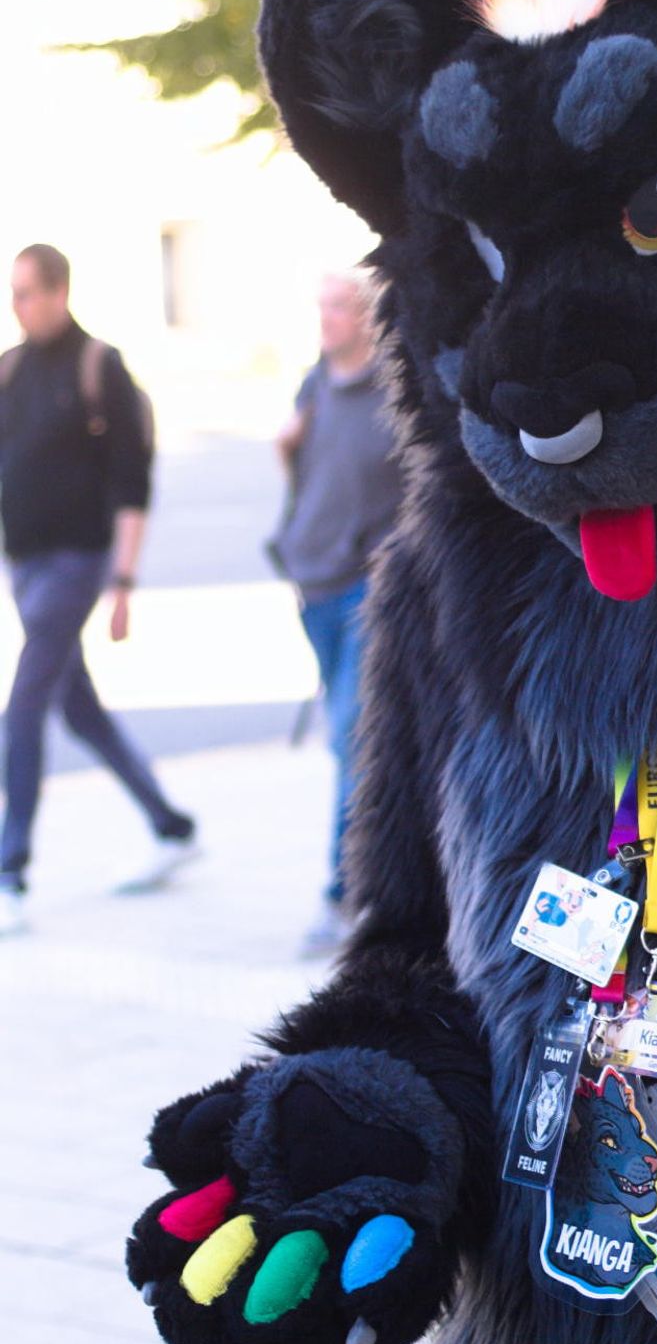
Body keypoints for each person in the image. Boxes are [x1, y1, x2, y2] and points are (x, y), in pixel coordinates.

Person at [0, 244, 197, 935]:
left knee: (21, 706)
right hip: (22, 565)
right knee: (76, 708)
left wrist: (122, 581)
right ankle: (172, 826)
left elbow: (131, 481)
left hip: (78, 564)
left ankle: (10, 870)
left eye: (26, 293)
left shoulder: (98, 365)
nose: (18, 305)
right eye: (14, 293)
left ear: (57, 292)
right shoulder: (11, 368)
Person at [272, 268, 402, 955]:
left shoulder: (391, 389)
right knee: (345, 733)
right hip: (312, 579)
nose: (327, 319)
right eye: (321, 306)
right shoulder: (313, 386)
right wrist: (285, 452)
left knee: (349, 733)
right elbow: (311, 479)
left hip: (366, 586)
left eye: (339, 307)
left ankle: (340, 891)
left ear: (366, 314)